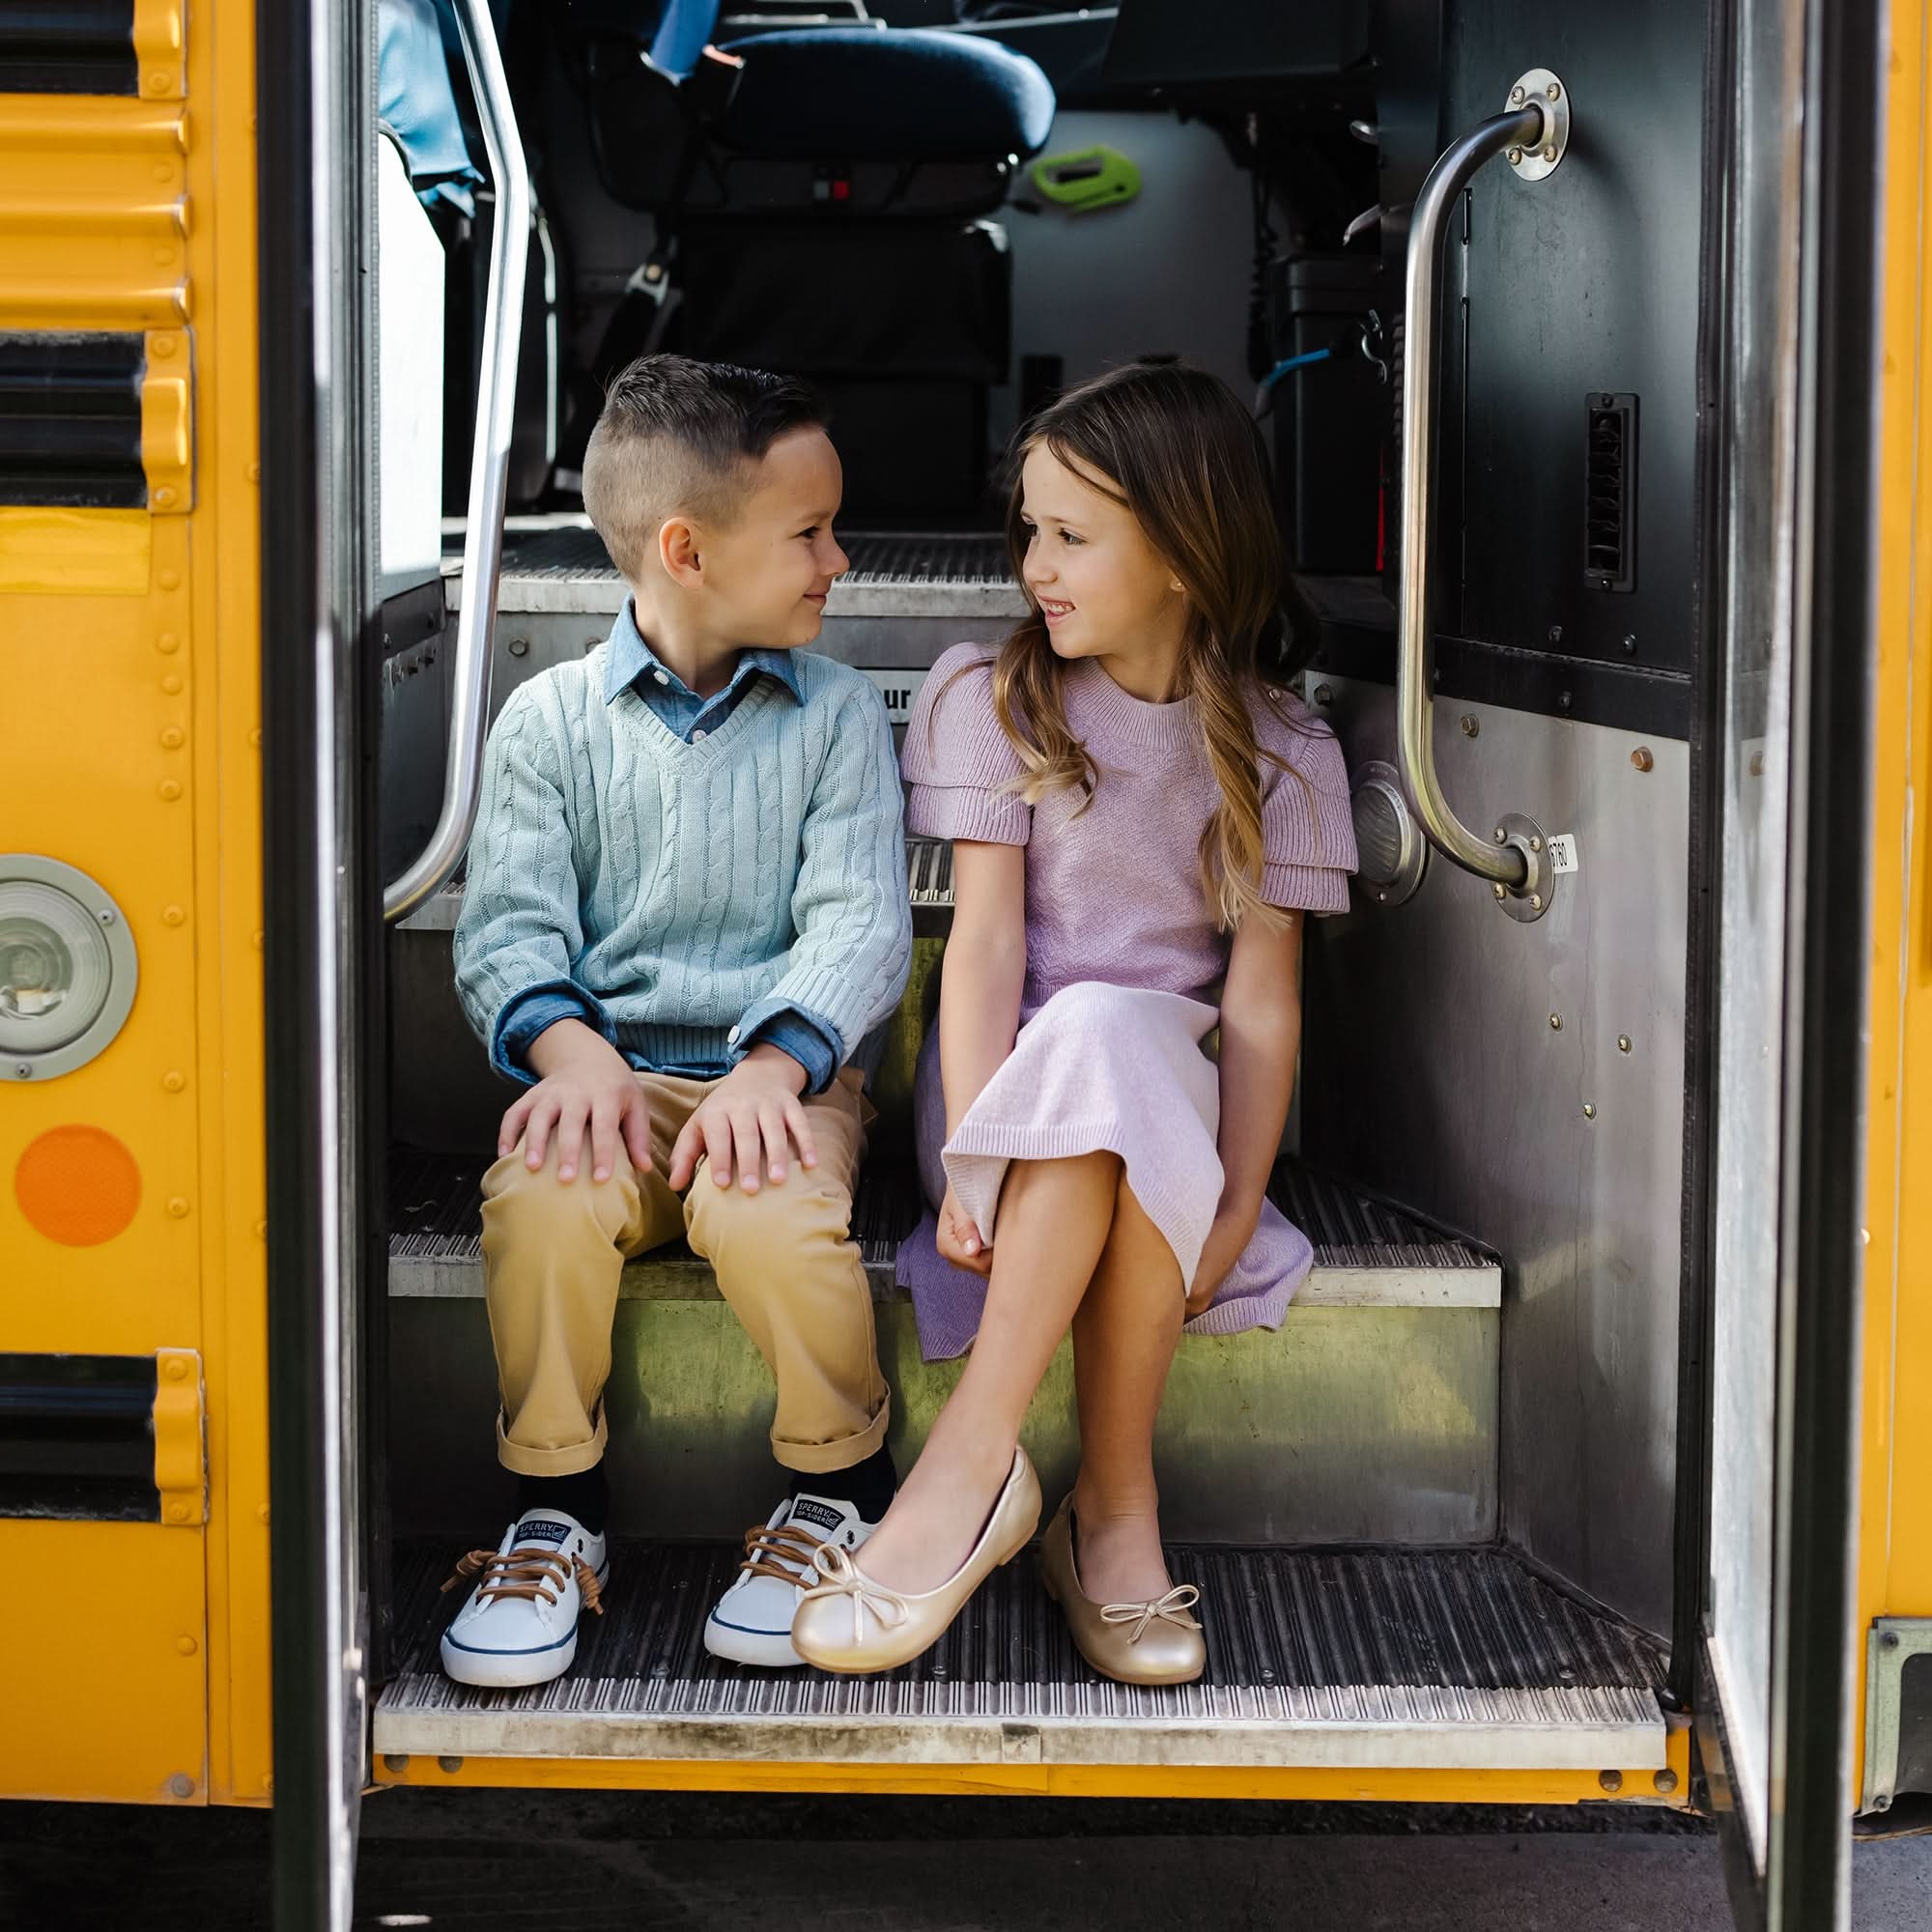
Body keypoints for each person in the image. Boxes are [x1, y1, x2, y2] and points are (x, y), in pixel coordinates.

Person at [792, 360, 1357, 1685]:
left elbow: (1262, 1015)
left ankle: (1068, 1505)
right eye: (1030, 530)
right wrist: (980, 1155)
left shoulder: (1284, 752)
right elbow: (981, 955)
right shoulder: (996, 697)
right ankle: (1041, 1487)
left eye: (1072, 535)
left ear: (1182, 550)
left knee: (1130, 1037)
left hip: (1173, 1116)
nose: (1036, 565)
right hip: (1003, 1105)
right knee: (1096, 1029)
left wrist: (1236, 1207)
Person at [443, 355, 912, 1685]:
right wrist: (569, 1048)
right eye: (809, 533)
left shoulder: (833, 718)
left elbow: (862, 923)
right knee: (537, 1201)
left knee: (768, 1218)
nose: (838, 559)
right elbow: (508, 928)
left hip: (786, 1081)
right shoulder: (547, 723)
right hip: (613, 1081)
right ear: (687, 549)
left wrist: (778, 1065)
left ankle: (844, 1477)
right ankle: (559, 1506)